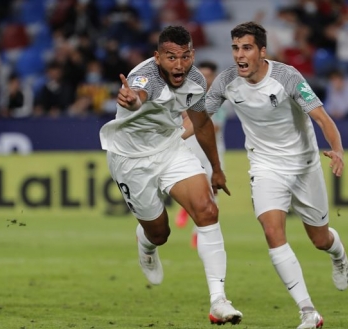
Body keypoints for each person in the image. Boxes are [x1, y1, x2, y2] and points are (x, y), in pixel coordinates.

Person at [205, 21, 348, 329]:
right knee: (273, 233)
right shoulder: (226, 81)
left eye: (246, 48)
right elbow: (197, 119)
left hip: (303, 165)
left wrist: (337, 149)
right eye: (235, 48)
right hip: (264, 165)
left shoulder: (287, 77)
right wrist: (169, 136)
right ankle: (308, 311)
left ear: (261, 51)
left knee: (320, 239)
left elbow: (322, 118)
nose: (239, 55)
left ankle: (338, 255)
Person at [100, 26, 242, 325]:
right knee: (159, 233)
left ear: (192, 55)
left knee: (207, 210)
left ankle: (219, 300)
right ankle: (147, 244)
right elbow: (138, 94)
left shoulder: (195, 79)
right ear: (157, 57)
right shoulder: (145, 77)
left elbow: (202, 125)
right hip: (131, 159)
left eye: (185, 56)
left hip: (169, 148)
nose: (179, 65)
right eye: (171, 57)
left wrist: (216, 169)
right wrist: (133, 101)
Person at [175, 60, 228, 249]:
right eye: (202, 75)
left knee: (214, 189)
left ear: (214, 77)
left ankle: (199, 233)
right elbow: (182, 118)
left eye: (208, 75)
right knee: (190, 183)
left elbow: (214, 127)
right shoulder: (187, 94)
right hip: (190, 145)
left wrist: (196, 121)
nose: (205, 79)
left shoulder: (220, 97)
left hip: (213, 147)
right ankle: (185, 208)